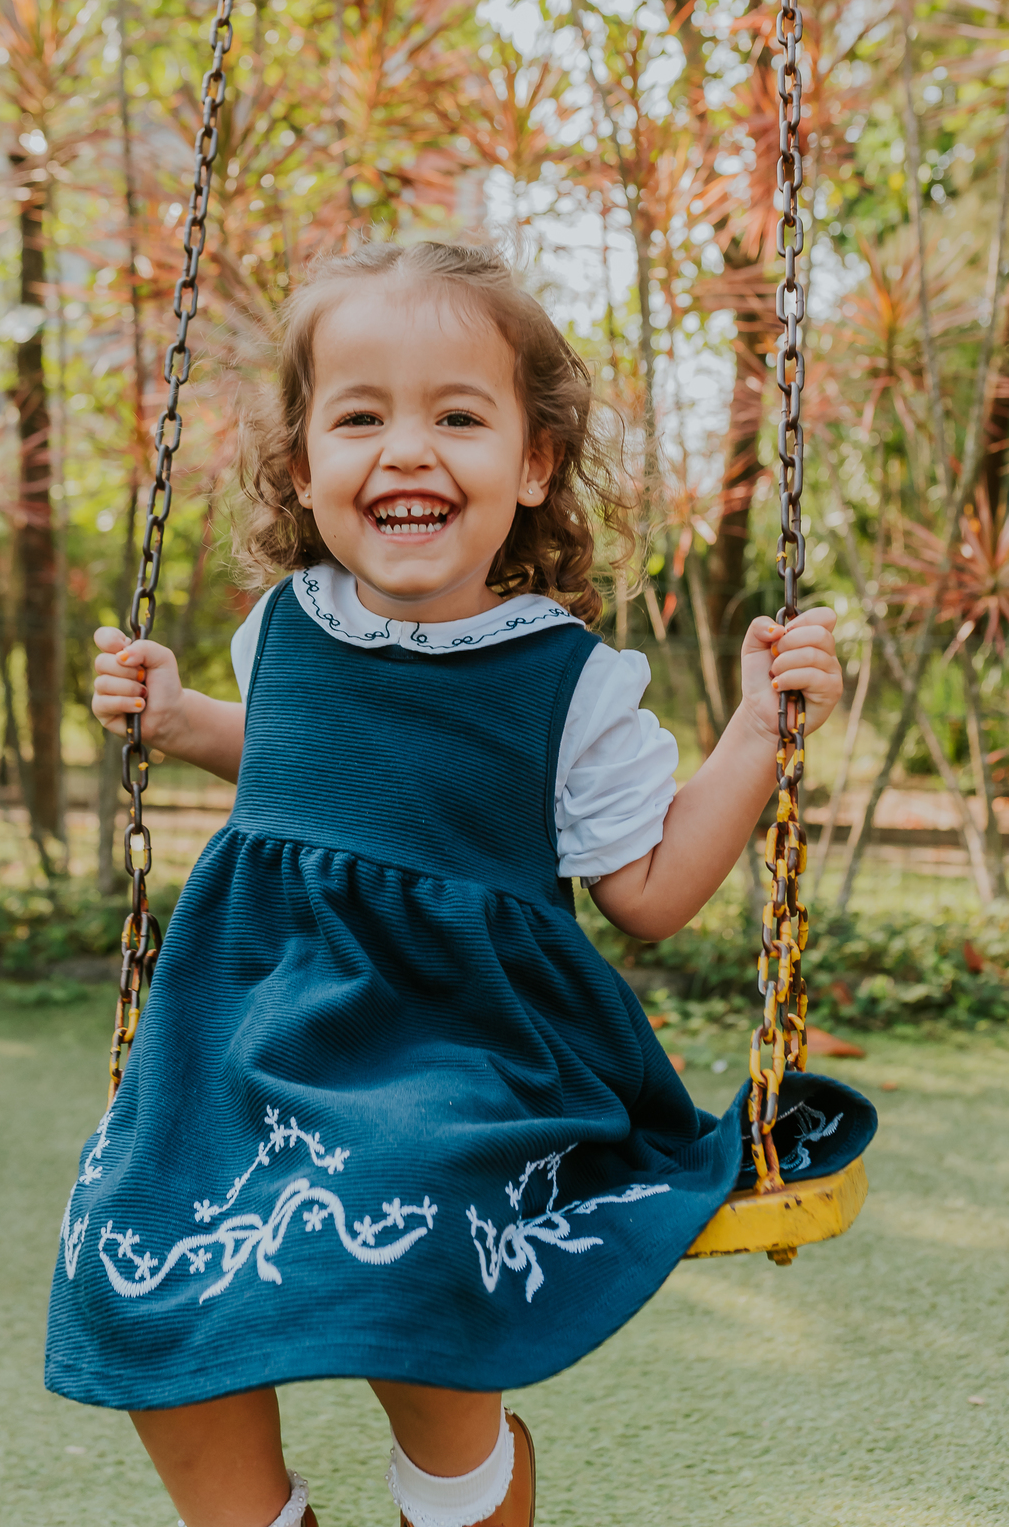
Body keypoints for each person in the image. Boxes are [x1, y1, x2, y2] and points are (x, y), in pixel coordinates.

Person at [45, 241, 875, 1527]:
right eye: (361, 417)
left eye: (458, 416)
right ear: (306, 466)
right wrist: (178, 718)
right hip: (244, 1037)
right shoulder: (283, 626)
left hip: (462, 1054)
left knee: (409, 1226)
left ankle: (465, 1492)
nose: (407, 450)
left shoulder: (571, 687)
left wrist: (759, 730)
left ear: (532, 463)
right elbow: (309, 768)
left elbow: (646, 891)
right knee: (128, 1260)